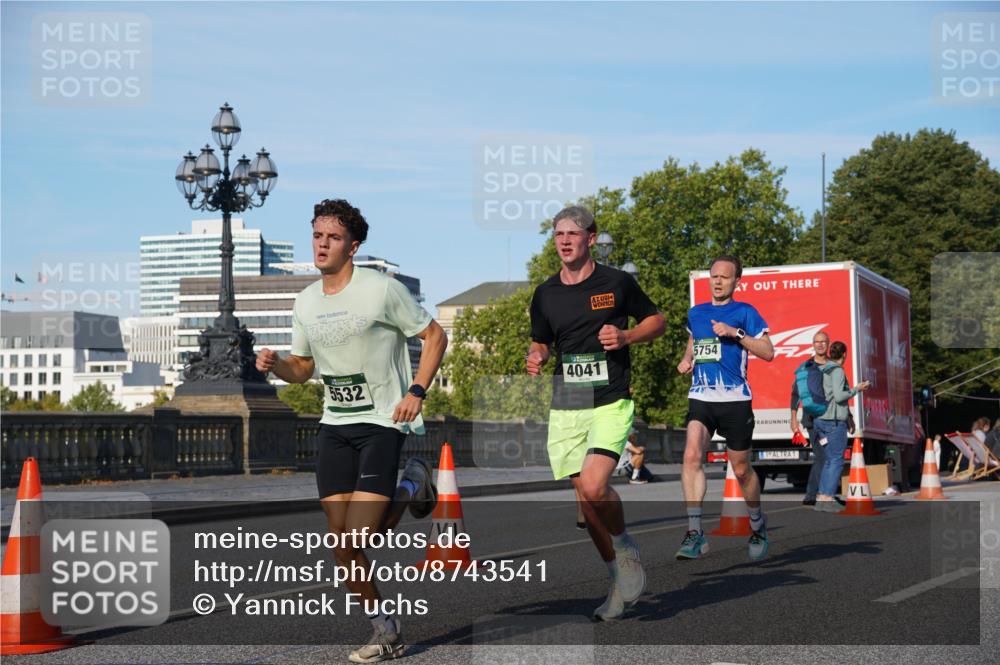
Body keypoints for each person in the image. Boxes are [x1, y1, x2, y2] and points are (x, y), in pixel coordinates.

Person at [256, 198, 447, 663]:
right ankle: (386, 630)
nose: (322, 244)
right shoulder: (305, 301)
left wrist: (416, 391)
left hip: (383, 420)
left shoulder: (382, 290)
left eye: (334, 237)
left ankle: (411, 483)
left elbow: (436, 336)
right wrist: (277, 363)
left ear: (353, 245)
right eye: (318, 235)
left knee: (359, 537)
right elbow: (304, 369)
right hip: (335, 425)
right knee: (342, 545)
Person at [527, 205, 665, 621]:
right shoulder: (545, 293)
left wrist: (626, 335)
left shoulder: (617, 282)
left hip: (610, 397)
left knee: (593, 486)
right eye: (558, 235)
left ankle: (625, 546)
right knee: (587, 505)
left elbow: (657, 321)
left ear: (591, 238)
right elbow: (542, 342)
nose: (564, 241)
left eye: (573, 233)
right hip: (568, 402)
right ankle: (617, 581)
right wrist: (536, 355)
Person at [675, 255, 774, 561]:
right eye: (714, 276)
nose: (717, 281)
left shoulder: (745, 312)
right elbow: (695, 341)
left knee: (742, 470)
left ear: (736, 282)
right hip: (702, 397)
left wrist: (737, 333)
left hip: (735, 400)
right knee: (691, 455)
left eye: (724, 277)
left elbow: (768, 352)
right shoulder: (697, 312)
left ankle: (757, 525)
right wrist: (687, 359)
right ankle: (695, 532)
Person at [813, 341, 870, 512]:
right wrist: (857, 389)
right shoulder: (837, 371)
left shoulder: (823, 369)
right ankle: (828, 498)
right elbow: (839, 397)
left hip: (821, 419)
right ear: (844, 354)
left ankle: (822, 498)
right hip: (833, 421)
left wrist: (849, 417)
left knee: (829, 460)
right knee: (837, 460)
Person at [790, 331, 832, 506]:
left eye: (823, 342)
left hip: (832, 418)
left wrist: (849, 417)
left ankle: (824, 493)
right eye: (817, 342)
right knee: (822, 456)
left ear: (828, 344)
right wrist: (793, 418)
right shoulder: (806, 367)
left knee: (831, 456)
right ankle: (811, 495)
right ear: (813, 345)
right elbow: (795, 393)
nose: (820, 344)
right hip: (812, 418)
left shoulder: (834, 366)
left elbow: (839, 393)